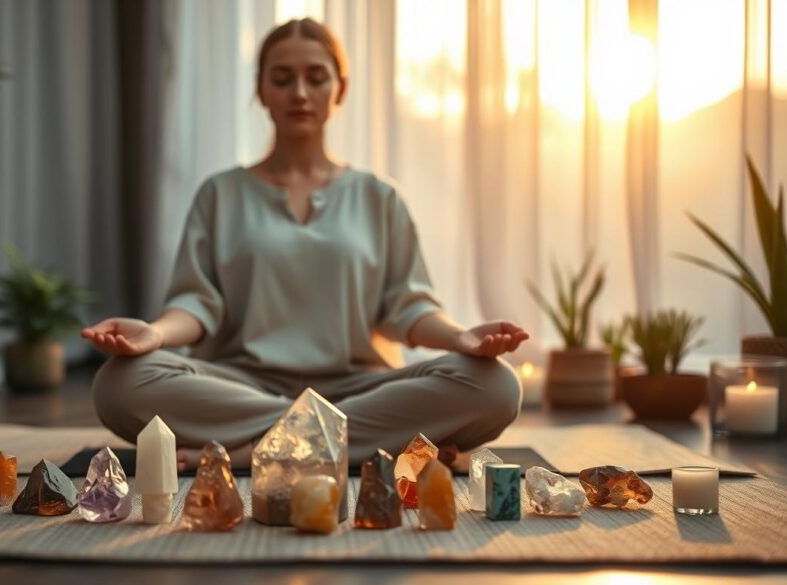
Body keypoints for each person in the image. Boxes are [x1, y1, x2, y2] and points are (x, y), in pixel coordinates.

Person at [84, 18, 528, 472]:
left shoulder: (379, 196)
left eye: (316, 78)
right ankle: (354, 445)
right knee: (120, 383)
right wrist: (155, 334)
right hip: (240, 387)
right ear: (260, 89)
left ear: (340, 88)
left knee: (497, 387)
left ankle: (248, 453)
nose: (299, 92)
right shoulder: (221, 194)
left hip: (361, 388)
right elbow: (197, 304)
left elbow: (408, 308)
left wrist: (461, 337)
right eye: (282, 79)